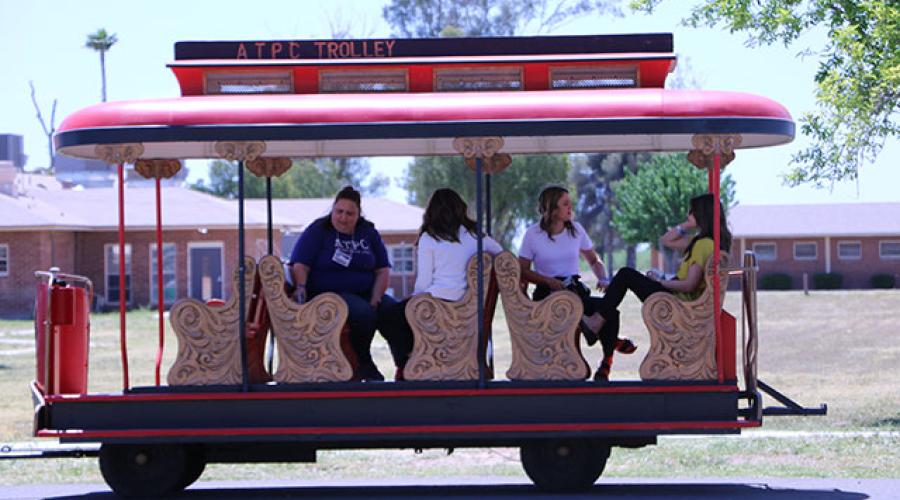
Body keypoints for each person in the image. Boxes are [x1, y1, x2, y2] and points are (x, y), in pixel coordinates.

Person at [591, 193, 732, 381]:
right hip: (677, 296)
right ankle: (599, 320)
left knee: (625, 274)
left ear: (701, 214)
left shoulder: (702, 245)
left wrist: (660, 282)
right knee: (628, 275)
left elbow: (689, 285)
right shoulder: (708, 243)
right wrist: (663, 276)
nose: (688, 215)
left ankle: (598, 320)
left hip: (677, 302)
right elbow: (667, 240)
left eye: (691, 212)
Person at [381, 188, 503, 379]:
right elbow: (503, 256)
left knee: (389, 317)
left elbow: (423, 283)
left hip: (437, 302)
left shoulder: (429, 238)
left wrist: (413, 300)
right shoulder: (477, 235)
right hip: (469, 306)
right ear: (460, 208)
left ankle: (406, 363)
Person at [518, 186, 636, 381]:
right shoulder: (532, 234)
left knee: (610, 312)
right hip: (547, 294)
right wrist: (548, 281)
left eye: (570, 203)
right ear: (551, 208)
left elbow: (593, 260)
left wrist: (603, 277)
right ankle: (604, 335)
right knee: (574, 301)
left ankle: (606, 362)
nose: (571, 207)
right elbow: (522, 271)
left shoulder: (577, 230)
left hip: (576, 291)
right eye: (565, 204)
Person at [288, 186, 396, 382]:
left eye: (350, 213)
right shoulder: (318, 230)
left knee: (393, 311)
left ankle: (403, 366)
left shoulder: (368, 232)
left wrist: (376, 296)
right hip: (329, 294)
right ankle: (363, 362)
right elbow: (300, 264)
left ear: (358, 214)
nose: (343, 218)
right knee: (363, 313)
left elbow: (383, 270)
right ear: (333, 210)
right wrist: (301, 287)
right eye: (339, 212)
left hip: (366, 292)